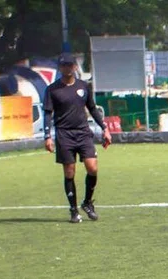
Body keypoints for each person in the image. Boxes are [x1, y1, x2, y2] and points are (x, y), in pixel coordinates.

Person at [43, 52, 111, 223]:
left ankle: (87, 203)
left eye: (70, 65)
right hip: (64, 134)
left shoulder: (83, 86)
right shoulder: (52, 89)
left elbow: (93, 109)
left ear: (75, 67)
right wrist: (47, 136)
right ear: (60, 68)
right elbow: (48, 114)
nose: (67, 68)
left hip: (83, 132)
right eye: (63, 65)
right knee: (69, 171)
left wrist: (105, 128)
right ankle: (73, 210)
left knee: (92, 168)